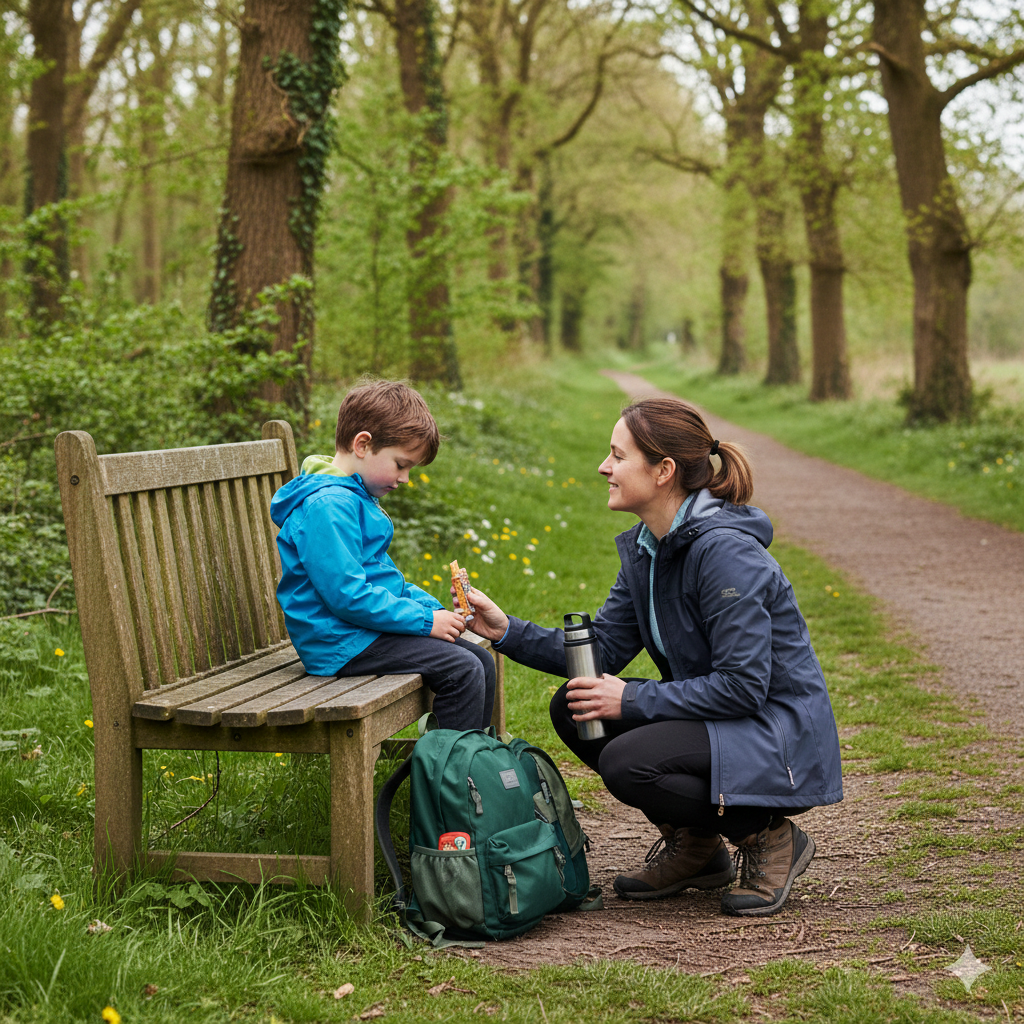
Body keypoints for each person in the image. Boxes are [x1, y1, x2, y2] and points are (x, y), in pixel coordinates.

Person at [458, 397, 843, 917]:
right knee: (576, 704)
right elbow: (602, 651)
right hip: (725, 719)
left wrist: (633, 698)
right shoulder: (650, 548)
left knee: (627, 759)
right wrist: (507, 631)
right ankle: (700, 848)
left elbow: (745, 686)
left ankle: (768, 836)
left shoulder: (725, 553)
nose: (604, 467)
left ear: (663, 471)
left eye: (617, 456)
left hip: (776, 732)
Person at [270, 379, 494, 731]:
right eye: (401, 465)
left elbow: (383, 579)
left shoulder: (352, 497)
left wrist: (432, 611)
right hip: (339, 641)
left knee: (480, 659)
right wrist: (424, 622)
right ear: (363, 444)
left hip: (359, 631)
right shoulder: (329, 505)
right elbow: (348, 596)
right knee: (462, 668)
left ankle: (479, 764)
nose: (405, 478)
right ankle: (450, 780)